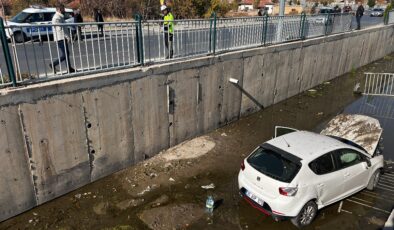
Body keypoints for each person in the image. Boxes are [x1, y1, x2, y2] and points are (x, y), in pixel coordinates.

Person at [49, 3, 75, 74]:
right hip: (60, 38)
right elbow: (60, 29)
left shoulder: (60, 16)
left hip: (62, 38)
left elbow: (64, 28)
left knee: (66, 54)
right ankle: (53, 64)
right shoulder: (57, 17)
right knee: (65, 54)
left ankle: (69, 68)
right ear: (59, 9)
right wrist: (67, 37)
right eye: (63, 9)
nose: (64, 10)